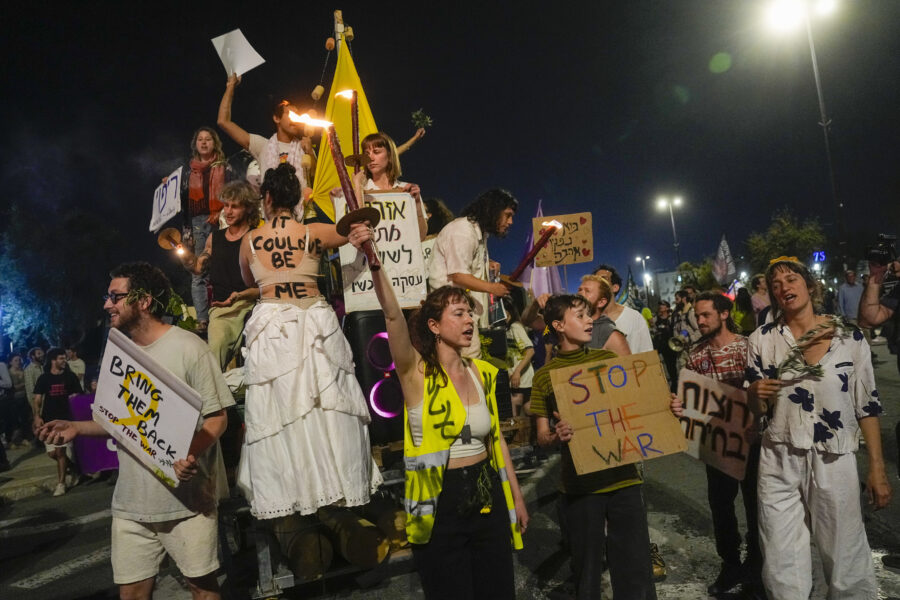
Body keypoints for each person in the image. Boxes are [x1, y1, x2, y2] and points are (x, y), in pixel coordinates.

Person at [348, 220, 527, 599]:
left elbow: (496, 442)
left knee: (498, 590)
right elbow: (394, 316)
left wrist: (515, 495)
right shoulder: (415, 374)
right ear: (433, 325)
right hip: (439, 501)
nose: (469, 320)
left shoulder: (483, 372)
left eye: (469, 313)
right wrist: (373, 257)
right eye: (458, 314)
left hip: (487, 493)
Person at [38, 262, 233, 600]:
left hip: (185, 504)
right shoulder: (118, 355)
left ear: (143, 301)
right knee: (131, 595)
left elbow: (218, 418)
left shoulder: (189, 348)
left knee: (203, 591)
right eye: (107, 296)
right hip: (130, 503)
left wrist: (190, 453)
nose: (106, 304)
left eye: (115, 296)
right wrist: (76, 428)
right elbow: (115, 421)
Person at [236, 163, 381, 519]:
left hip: (273, 326)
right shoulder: (313, 231)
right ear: (298, 196)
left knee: (282, 412)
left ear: (266, 198)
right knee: (324, 408)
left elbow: (251, 279)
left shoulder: (248, 241)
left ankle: (293, 493)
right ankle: (334, 489)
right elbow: (355, 234)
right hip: (314, 321)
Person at [746, 258, 891, 599]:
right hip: (779, 458)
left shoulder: (849, 336)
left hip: (834, 458)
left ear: (809, 286)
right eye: (776, 283)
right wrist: (754, 396)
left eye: (791, 278)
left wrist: (877, 468)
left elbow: (867, 405)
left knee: (845, 557)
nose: (784, 287)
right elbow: (758, 413)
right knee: (781, 562)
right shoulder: (762, 340)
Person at [531, 293, 682, 599]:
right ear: (559, 325)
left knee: (636, 569)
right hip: (581, 487)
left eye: (590, 316)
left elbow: (640, 408)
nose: (590, 322)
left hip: (624, 479)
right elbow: (541, 438)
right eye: (581, 316)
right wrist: (556, 434)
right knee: (586, 572)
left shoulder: (609, 362)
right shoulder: (545, 378)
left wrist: (669, 407)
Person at [687, 293, 763, 598]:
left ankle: (756, 567)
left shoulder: (748, 347)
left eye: (706, 315)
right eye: (697, 316)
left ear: (724, 313)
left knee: (757, 506)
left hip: (752, 442)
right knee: (721, 507)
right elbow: (692, 401)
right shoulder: (694, 355)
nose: (700, 321)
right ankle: (730, 563)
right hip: (717, 444)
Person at [179, 181, 260, 370]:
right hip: (223, 310)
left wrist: (241, 296)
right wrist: (187, 258)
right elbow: (198, 268)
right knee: (214, 356)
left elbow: (266, 284)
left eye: (235, 206)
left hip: (254, 305)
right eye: (225, 205)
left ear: (248, 208)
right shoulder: (214, 238)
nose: (228, 211)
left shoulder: (257, 237)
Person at [427, 188, 518, 358]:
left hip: (461, 314)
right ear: (493, 211)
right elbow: (458, 275)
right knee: (468, 366)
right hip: (451, 314)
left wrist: (486, 265)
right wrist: (492, 288)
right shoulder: (463, 231)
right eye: (508, 215)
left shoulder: (478, 234)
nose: (511, 222)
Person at [176, 127, 237, 333]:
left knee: (223, 269)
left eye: (208, 139)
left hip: (222, 221)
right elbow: (181, 202)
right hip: (197, 224)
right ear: (195, 144)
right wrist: (170, 186)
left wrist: (222, 213)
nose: (204, 143)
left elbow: (234, 194)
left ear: (215, 143)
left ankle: (226, 313)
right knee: (198, 273)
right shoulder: (187, 172)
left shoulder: (226, 168)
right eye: (200, 139)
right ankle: (202, 320)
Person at [217, 74, 314, 201]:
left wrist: (310, 153)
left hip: (301, 214)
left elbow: (315, 179)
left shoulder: (304, 146)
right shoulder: (263, 145)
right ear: (276, 118)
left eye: (297, 115)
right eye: (290, 114)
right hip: (271, 213)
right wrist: (230, 87)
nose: (295, 119)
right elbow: (223, 122)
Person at [352, 131, 427, 240]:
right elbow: (357, 232)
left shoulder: (407, 191)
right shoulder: (359, 192)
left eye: (376, 152)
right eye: (367, 154)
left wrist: (417, 204)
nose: (370, 158)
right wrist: (357, 188)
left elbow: (421, 236)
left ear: (390, 155)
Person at [32, 347, 83, 496]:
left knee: (60, 451)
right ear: (53, 360)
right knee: (53, 453)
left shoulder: (70, 376)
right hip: (48, 420)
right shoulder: (44, 378)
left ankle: (61, 484)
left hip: (65, 419)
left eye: (64, 358)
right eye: (61, 358)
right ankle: (75, 468)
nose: (64, 361)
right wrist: (36, 416)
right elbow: (37, 399)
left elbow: (78, 394)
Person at [592, 264, 653, 353]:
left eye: (603, 279)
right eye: (595, 281)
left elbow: (647, 353)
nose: (598, 284)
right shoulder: (586, 321)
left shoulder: (635, 318)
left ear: (615, 287)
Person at [501, 297, 534, 417]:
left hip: (521, 379)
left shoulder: (515, 327)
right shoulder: (506, 328)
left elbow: (530, 350)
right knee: (526, 410)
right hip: (514, 377)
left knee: (515, 414)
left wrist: (517, 372)